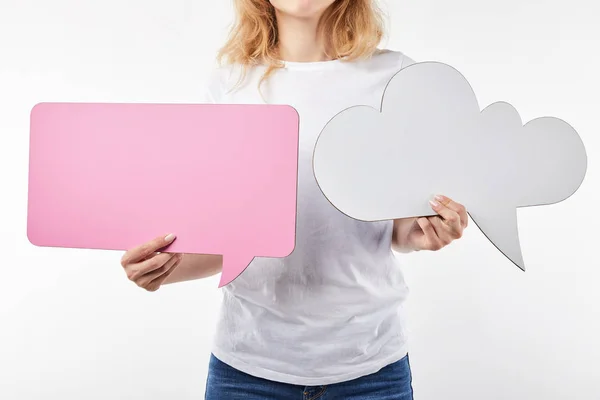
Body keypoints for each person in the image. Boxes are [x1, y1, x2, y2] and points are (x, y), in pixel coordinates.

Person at [119, 0, 468, 398]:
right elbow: (230, 241)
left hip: (371, 368)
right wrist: (165, 266)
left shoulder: (396, 75)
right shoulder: (230, 83)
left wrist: (427, 230)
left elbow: (401, 225)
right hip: (248, 371)